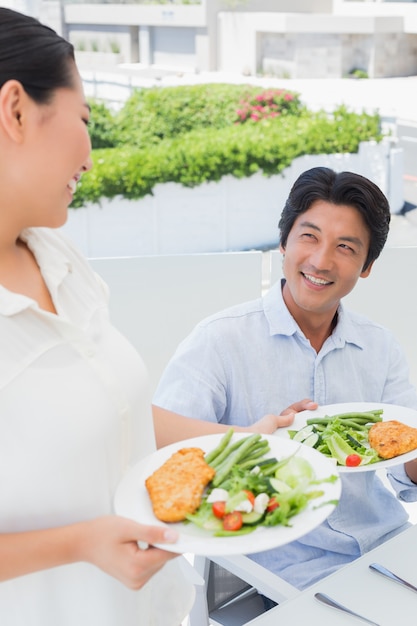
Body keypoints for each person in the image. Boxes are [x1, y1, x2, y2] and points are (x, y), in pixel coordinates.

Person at [0, 8, 194, 625]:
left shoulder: (57, 254)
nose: (91, 153)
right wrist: (81, 543)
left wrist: (252, 439)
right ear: (16, 110)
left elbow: (117, 406)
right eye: (85, 120)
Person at [153, 166, 417, 592]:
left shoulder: (380, 347)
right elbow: (171, 458)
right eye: (309, 236)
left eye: (346, 247)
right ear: (283, 242)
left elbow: (406, 471)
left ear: (367, 266)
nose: (321, 260)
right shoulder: (220, 340)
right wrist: (257, 444)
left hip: (389, 545)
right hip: (283, 569)